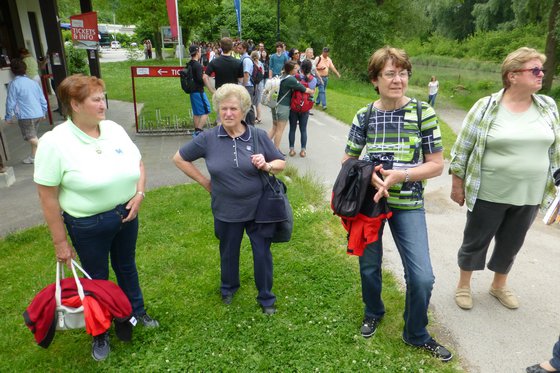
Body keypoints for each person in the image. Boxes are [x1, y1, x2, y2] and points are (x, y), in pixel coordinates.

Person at [33, 74, 159, 361]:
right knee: (95, 278)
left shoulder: (113, 129)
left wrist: (139, 194)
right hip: (88, 224)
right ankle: (99, 332)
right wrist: (60, 242)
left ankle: (134, 313)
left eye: (104, 97)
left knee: (127, 266)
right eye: (96, 99)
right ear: (75, 105)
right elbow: (47, 196)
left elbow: (138, 162)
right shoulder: (54, 142)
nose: (104, 104)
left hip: (126, 214)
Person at [342, 46, 452, 362]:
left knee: (422, 276)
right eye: (390, 73)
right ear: (375, 79)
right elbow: (348, 159)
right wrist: (370, 175)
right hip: (370, 203)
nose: (398, 80)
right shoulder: (365, 115)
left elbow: (436, 165)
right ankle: (373, 311)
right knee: (369, 267)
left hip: (408, 204)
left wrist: (400, 175)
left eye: (403, 73)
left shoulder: (423, 113)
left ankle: (415, 332)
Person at [450, 47, 560, 311]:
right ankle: (464, 285)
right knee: (475, 240)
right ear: (512, 75)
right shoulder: (486, 107)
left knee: (511, 243)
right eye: (535, 70)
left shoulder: (547, 106)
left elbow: (556, 150)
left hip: (530, 194)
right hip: (490, 191)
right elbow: (462, 147)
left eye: (541, 70)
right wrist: (457, 183)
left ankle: (499, 285)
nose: (541, 74)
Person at [173, 84, 286, 315]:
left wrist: (266, 165)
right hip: (226, 209)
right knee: (228, 251)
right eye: (223, 108)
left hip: (259, 208)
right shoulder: (208, 138)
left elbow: (280, 163)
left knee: (262, 253)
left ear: (244, 110)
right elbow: (179, 158)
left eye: (233, 108)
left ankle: (266, 297)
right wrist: (206, 183)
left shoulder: (258, 136)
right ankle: (228, 288)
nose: (228, 114)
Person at [4, 58, 47, 164]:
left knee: (30, 137)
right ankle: (33, 157)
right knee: (33, 136)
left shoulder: (13, 84)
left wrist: (8, 116)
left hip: (25, 115)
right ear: (25, 69)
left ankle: (48, 150)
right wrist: (43, 111)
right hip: (37, 113)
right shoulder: (33, 82)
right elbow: (42, 98)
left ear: (12, 71)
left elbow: (11, 102)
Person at [269, 60, 314, 151]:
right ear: (290, 70)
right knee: (279, 130)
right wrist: (311, 91)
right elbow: (304, 89)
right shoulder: (291, 79)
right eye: (295, 68)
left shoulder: (282, 76)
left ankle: (263, 145)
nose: (297, 70)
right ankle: (275, 150)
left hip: (275, 105)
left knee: (274, 127)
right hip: (283, 107)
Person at [288, 59, 316, 158]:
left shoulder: (296, 77)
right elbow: (312, 94)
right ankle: (303, 150)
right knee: (303, 129)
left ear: (301, 68)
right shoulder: (313, 80)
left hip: (294, 106)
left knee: (292, 128)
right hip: (305, 108)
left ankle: (291, 149)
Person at [187, 45, 211, 136]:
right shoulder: (198, 65)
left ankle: (196, 131)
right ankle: (198, 131)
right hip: (199, 91)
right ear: (197, 53)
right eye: (200, 51)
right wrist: (204, 78)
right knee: (206, 110)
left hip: (192, 91)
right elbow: (200, 79)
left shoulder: (189, 63)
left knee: (196, 112)